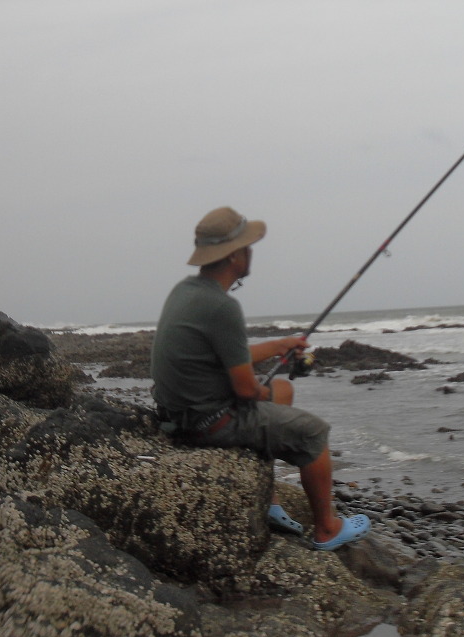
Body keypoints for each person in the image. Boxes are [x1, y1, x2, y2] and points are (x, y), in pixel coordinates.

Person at [150, 206, 370, 551]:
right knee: (313, 432)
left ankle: (268, 499)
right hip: (207, 422)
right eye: (248, 246)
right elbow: (245, 389)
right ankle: (327, 529)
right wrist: (260, 393)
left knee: (282, 389)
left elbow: (226, 354)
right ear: (234, 255)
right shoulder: (223, 307)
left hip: (178, 413)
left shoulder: (186, 291)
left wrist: (280, 346)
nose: (251, 252)